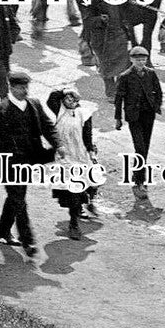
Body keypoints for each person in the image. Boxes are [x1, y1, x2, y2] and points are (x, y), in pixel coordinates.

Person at [0, 70, 58, 257]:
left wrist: (59, 145)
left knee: (16, 198)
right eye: (21, 87)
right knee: (19, 200)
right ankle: (27, 241)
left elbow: (48, 127)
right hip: (6, 163)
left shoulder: (34, 105)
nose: (25, 91)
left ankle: (3, 231)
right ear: (12, 88)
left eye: (26, 87)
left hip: (27, 161)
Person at [47, 87, 100, 240]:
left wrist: (91, 151)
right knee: (71, 191)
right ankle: (73, 224)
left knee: (91, 181)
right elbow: (52, 97)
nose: (71, 102)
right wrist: (65, 90)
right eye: (68, 99)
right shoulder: (59, 110)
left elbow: (87, 136)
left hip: (79, 155)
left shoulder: (84, 114)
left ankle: (86, 203)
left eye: (74, 100)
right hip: (63, 157)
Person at [114, 46, 162, 198]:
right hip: (134, 116)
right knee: (139, 147)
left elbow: (159, 91)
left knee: (145, 147)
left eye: (143, 59)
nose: (141, 62)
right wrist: (118, 118)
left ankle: (137, 174)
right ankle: (140, 181)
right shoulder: (125, 76)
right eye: (137, 60)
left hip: (148, 115)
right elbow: (119, 99)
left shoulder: (151, 73)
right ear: (131, 60)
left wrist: (156, 106)